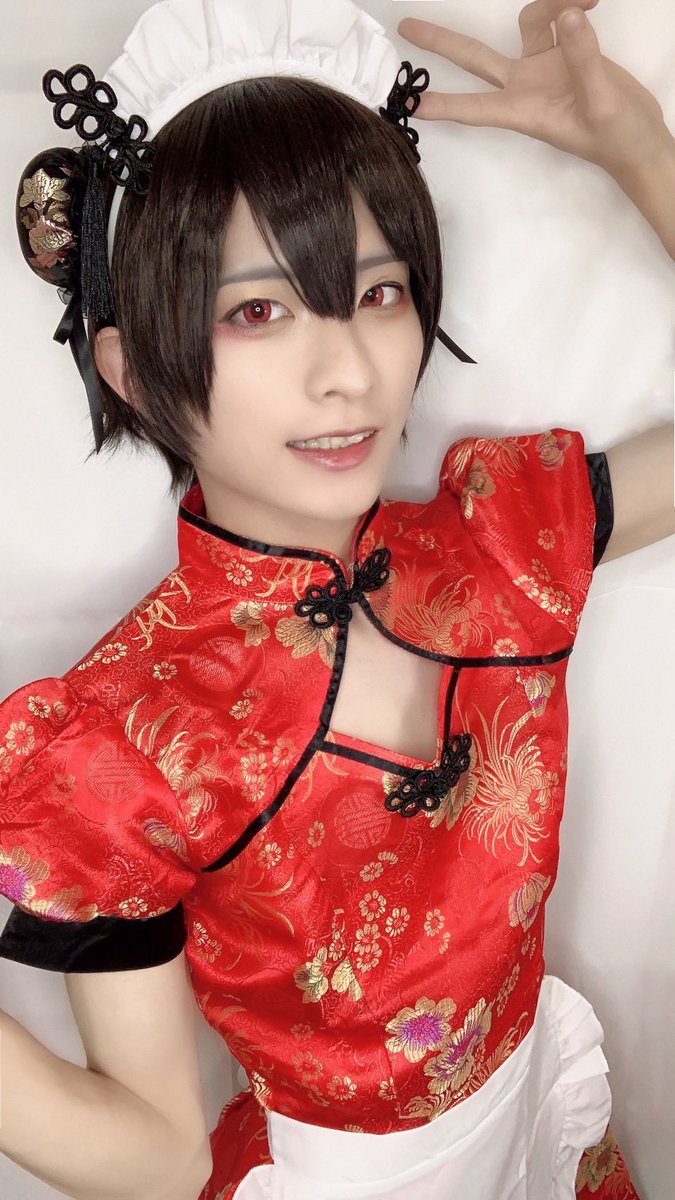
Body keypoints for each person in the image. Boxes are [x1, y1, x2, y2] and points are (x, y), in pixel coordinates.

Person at [0, 1, 673, 1197]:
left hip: (545, 1131)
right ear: (133, 370)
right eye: (256, 311)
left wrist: (639, 149)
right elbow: (157, 1156)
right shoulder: (126, 740)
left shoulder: (496, 548)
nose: (348, 371)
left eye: (377, 293)